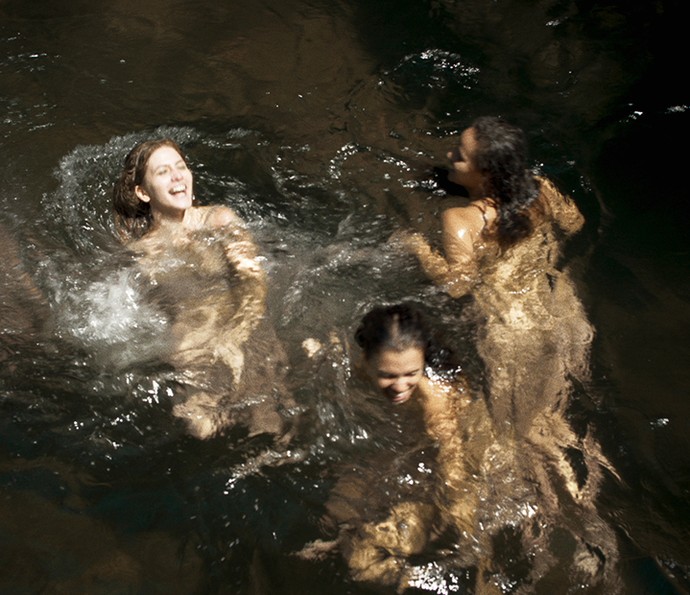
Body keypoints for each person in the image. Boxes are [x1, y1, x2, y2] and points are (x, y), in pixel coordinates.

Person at [396, 116, 593, 437]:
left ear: (485, 174)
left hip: (511, 330)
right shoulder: (542, 188)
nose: (450, 156)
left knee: (511, 433)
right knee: (557, 416)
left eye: (459, 155)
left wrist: (418, 249)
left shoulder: (461, 220)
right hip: (564, 313)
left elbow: (458, 286)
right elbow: (576, 223)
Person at [301, 304, 493, 591]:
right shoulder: (359, 367)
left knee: (372, 557)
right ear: (366, 359)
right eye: (388, 375)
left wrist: (462, 518)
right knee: (333, 514)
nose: (400, 386)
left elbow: (453, 458)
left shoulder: (435, 399)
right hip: (401, 439)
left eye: (411, 373)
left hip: (445, 441)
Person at [112, 138, 289, 439]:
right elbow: (148, 311)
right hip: (192, 341)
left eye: (181, 167)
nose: (178, 176)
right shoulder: (140, 252)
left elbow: (254, 280)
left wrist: (237, 331)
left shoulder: (218, 220)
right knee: (200, 427)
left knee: (270, 426)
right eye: (163, 171)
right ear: (143, 192)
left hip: (242, 324)